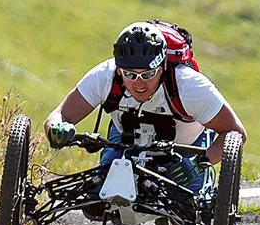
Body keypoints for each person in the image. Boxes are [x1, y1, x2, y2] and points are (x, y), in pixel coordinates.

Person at [43, 21, 247, 196]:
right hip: (125, 140)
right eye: (130, 75)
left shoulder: (190, 85)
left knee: (189, 205)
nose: (139, 84)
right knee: (98, 194)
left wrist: (201, 162)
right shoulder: (105, 75)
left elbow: (235, 133)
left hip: (186, 148)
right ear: (119, 69)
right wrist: (58, 129)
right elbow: (59, 115)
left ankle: (201, 181)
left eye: (148, 75)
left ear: (163, 67)